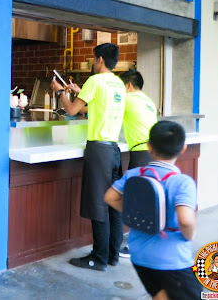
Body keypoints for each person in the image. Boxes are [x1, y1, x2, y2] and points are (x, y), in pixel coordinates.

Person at [104, 121, 200, 299]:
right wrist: (190, 235)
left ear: (149, 147)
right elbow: (186, 220)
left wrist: (138, 212)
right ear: (183, 149)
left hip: (139, 255)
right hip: (172, 259)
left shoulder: (134, 174)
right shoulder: (182, 182)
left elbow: (110, 197)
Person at [52, 43, 126, 271]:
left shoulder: (95, 81)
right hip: (113, 150)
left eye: (94, 59)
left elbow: (72, 111)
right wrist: (78, 91)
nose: (94, 62)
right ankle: (112, 255)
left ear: (100, 59)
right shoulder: (118, 83)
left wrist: (61, 92)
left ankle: (98, 258)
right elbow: (92, 108)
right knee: (113, 203)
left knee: (98, 203)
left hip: (98, 151)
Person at [118, 69, 158, 259]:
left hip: (141, 153)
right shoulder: (148, 101)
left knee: (135, 200)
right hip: (152, 151)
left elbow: (104, 107)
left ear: (128, 86)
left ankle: (135, 246)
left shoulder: (127, 99)